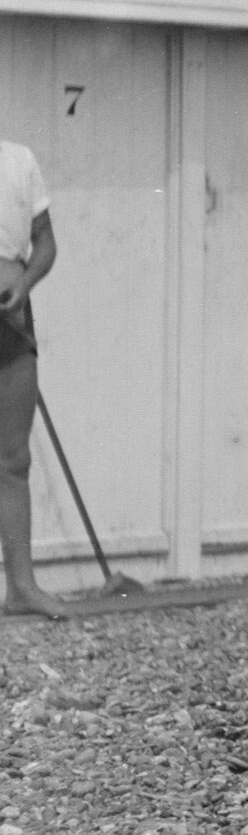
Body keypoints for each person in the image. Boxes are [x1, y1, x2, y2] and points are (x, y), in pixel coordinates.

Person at [0, 133, 64, 622]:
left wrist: (23, 284)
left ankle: (21, 586)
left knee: (13, 458)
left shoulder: (19, 159)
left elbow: (45, 242)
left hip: (12, 316)